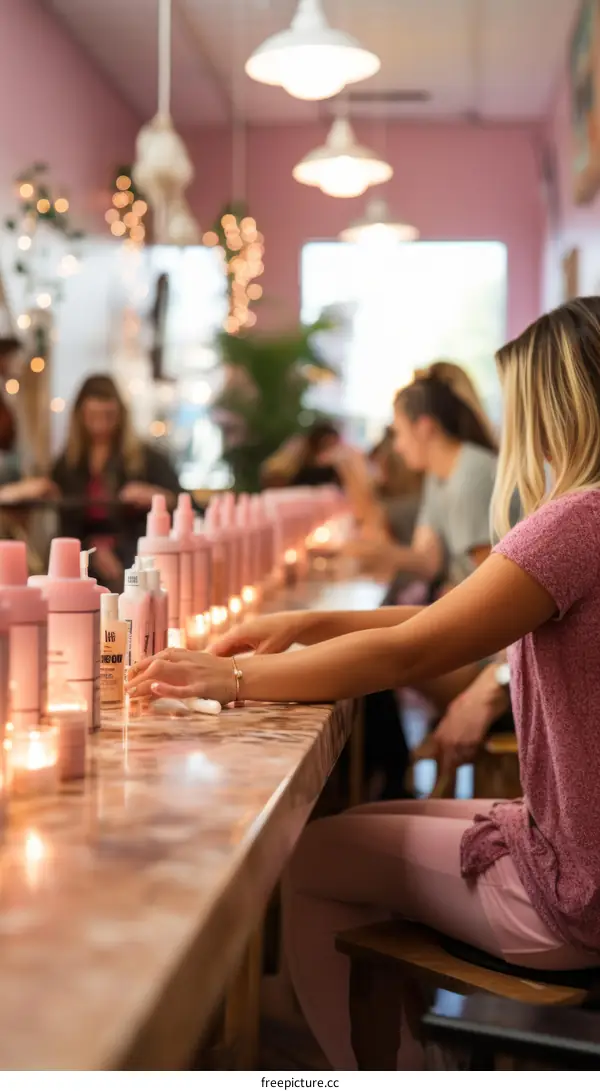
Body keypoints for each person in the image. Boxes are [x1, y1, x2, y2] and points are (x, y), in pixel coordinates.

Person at [127, 296, 600, 1068]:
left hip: (575, 890)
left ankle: (384, 1062)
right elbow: (445, 619)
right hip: (577, 841)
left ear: (558, 404)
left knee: (310, 859)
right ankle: (333, 1004)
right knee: (356, 823)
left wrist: (234, 675)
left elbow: (411, 654)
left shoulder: (576, 520)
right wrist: (310, 626)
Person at [52, 374, 180, 589]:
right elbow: (67, 527)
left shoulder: (147, 459)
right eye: (93, 416)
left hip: (136, 556)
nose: (101, 425)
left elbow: (184, 503)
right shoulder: (67, 465)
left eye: (108, 416)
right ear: (80, 416)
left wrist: (156, 496)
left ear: (120, 415)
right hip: (83, 560)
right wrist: (92, 550)